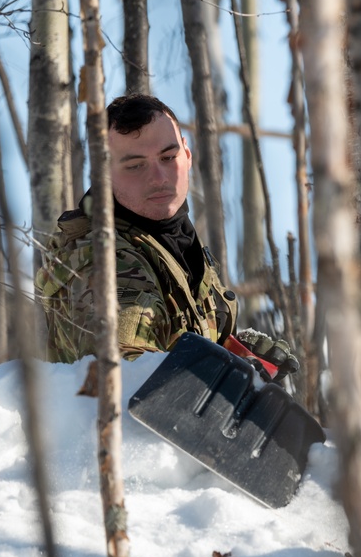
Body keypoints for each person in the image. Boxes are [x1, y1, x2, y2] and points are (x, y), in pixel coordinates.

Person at [35, 93, 297, 380]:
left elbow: (174, 343)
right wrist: (226, 377)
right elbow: (130, 386)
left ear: (187, 155)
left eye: (168, 157)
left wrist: (235, 354)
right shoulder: (108, 263)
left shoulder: (173, 239)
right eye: (135, 165)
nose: (159, 177)